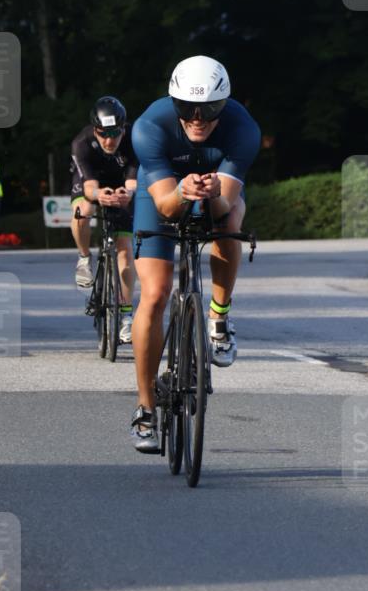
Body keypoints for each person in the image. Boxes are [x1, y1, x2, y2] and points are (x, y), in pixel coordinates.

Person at [129, 55, 261, 451]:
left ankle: (218, 318)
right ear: (174, 103)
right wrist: (182, 192)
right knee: (154, 295)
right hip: (164, 195)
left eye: (209, 110)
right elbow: (167, 209)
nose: (198, 118)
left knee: (232, 218)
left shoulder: (243, 130)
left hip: (217, 192)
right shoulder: (149, 128)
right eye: (187, 108)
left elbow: (224, 210)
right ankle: (146, 408)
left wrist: (213, 194)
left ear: (225, 105)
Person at [70, 96, 138, 344]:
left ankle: (127, 315)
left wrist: (126, 195)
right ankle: (84, 258)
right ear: (95, 130)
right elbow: (89, 187)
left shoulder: (133, 139)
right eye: (103, 134)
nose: (109, 141)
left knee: (124, 251)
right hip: (92, 182)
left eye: (115, 134)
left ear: (123, 129)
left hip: (121, 184)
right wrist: (100, 195)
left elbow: (132, 182)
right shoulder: (82, 143)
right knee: (83, 211)